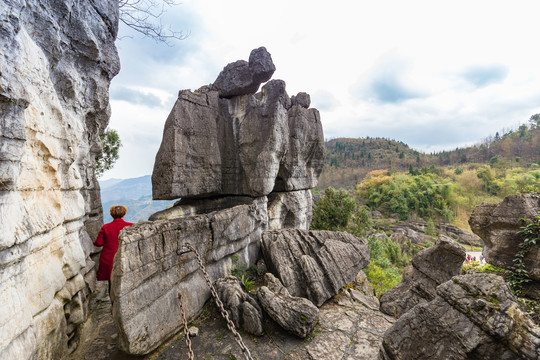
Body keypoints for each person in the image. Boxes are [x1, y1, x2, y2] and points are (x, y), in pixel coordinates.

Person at [94, 205, 133, 296]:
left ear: (111, 215)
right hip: (125, 257)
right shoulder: (130, 226)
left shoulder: (106, 227)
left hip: (109, 258)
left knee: (111, 282)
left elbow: (98, 243)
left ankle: (113, 303)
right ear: (124, 214)